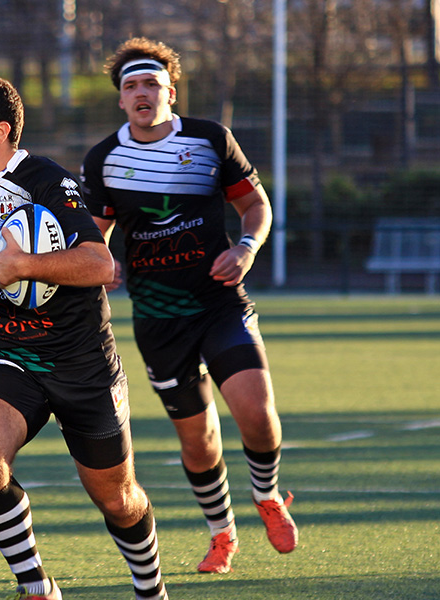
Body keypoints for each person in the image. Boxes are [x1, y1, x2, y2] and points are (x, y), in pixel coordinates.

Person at [0, 75, 168, 600]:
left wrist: (24, 266)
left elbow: (100, 263)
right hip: (6, 353)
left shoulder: (44, 179)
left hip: (82, 362)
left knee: (118, 500)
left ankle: (150, 589)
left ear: (0, 132)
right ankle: (36, 586)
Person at [79, 37, 298, 574]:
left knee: (257, 414)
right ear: (121, 100)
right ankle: (222, 534)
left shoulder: (208, 139)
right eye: (131, 85)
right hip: (157, 319)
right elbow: (97, 234)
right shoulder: (103, 157)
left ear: (170, 91)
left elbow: (254, 205)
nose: (141, 92)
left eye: (151, 83)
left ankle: (267, 496)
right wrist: (103, 266)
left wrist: (246, 248)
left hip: (219, 303)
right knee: (199, 443)